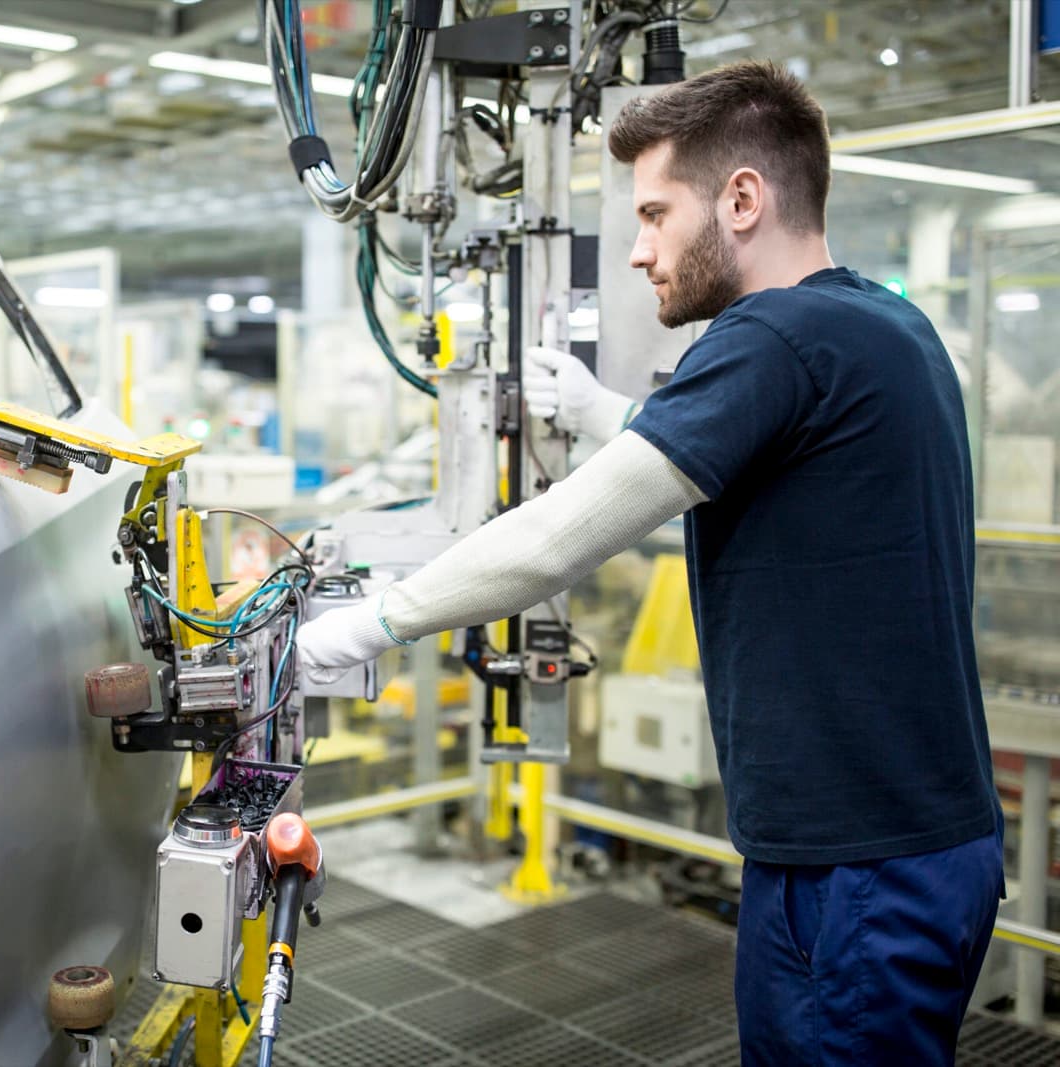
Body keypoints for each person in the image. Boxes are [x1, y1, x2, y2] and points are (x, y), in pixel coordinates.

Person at [296, 61, 1003, 1065]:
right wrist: (601, 416)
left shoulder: (772, 335)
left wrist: (365, 625)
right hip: (922, 840)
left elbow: (553, 539)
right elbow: (762, 468)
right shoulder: (883, 324)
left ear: (743, 199)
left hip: (854, 865)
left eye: (655, 214)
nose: (637, 251)